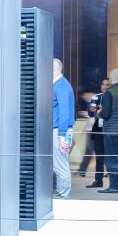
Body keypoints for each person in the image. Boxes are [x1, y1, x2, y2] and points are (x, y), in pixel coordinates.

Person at [97, 69, 118, 194]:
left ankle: (114, 186)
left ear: (111, 79)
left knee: (112, 158)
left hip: (112, 131)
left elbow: (106, 114)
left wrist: (99, 113)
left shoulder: (109, 93)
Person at [52, 58, 75, 199]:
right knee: (58, 163)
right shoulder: (60, 85)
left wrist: (61, 135)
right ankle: (61, 193)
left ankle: (63, 195)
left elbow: (64, 113)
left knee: (60, 164)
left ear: (54, 70)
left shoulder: (61, 86)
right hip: (59, 130)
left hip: (60, 131)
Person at [80, 77, 110, 188]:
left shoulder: (111, 97)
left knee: (110, 155)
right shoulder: (96, 97)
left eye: (107, 85)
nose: (104, 87)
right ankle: (98, 180)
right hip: (98, 129)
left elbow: (107, 111)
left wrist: (99, 109)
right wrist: (98, 108)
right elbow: (91, 111)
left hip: (110, 129)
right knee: (99, 156)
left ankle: (115, 181)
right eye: (103, 84)